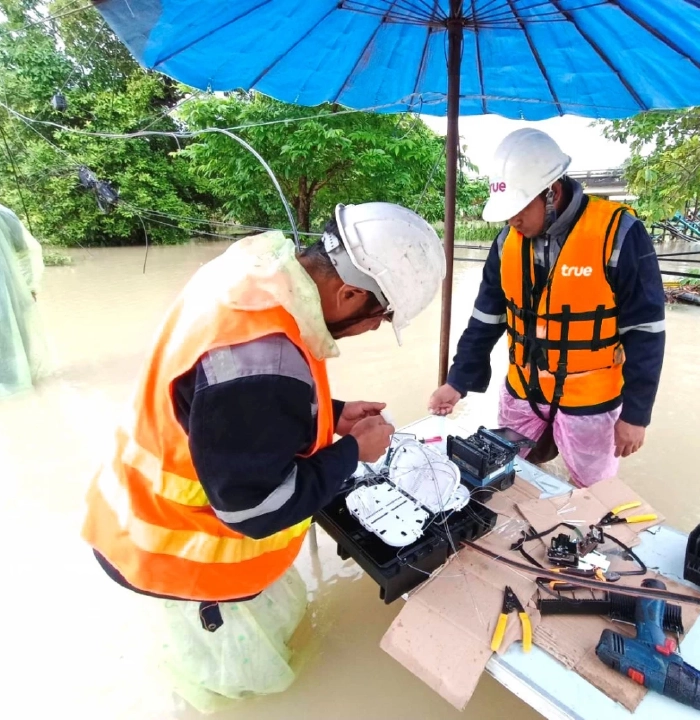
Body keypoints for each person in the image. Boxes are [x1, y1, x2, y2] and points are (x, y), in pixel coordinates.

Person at [81, 202, 446, 712]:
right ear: (350, 293)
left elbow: (223, 408)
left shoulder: (254, 274)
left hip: (146, 507)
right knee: (237, 691)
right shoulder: (262, 359)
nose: (371, 331)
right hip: (179, 558)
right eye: (380, 319)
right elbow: (254, 509)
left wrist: (332, 413)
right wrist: (352, 452)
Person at [428, 129, 665, 487]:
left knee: (594, 493)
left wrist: (636, 413)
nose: (512, 221)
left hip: (590, 402)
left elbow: (646, 331)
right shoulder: (507, 242)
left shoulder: (619, 233)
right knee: (503, 479)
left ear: (551, 193)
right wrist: (457, 381)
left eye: (518, 209)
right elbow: (485, 319)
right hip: (523, 391)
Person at [0, 155, 47, 400]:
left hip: (7, 302)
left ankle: (26, 406)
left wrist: (29, 288)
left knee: (17, 360)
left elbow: (25, 252)